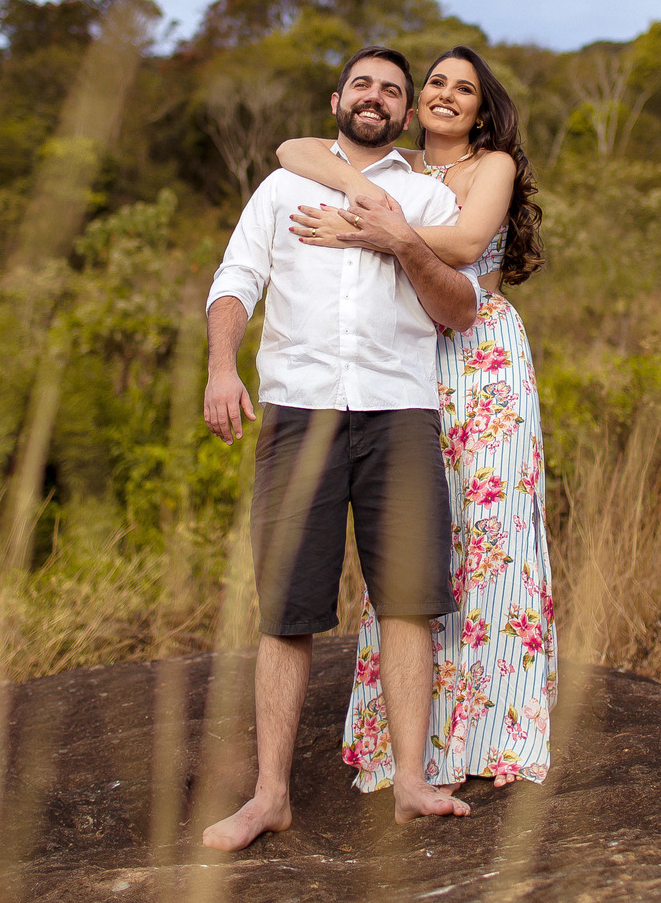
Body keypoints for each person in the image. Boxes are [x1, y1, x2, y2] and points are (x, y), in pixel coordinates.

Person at [201, 45, 484, 851]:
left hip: (400, 411)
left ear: (405, 113)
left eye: (393, 90)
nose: (376, 96)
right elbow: (235, 279)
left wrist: (397, 240)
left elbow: (459, 307)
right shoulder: (283, 184)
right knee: (287, 607)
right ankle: (270, 796)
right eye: (363, 83)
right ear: (337, 99)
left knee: (409, 601)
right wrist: (223, 367)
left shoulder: (425, 195)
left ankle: (411, 784)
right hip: (300, 410)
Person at [278, 45, 556, 796]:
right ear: (410, 102)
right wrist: (358, 191)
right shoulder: (390, 167)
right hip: (403, 359)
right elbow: (292, 147)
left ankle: (495, 734)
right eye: (435, 82)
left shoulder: (489, 165)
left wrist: (376, 229)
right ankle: (416, 744)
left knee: (490, 538)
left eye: (464, 88)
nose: (446, 94)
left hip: (481, 358)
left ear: (480, 107)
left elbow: (466, 245)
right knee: (410, 546)